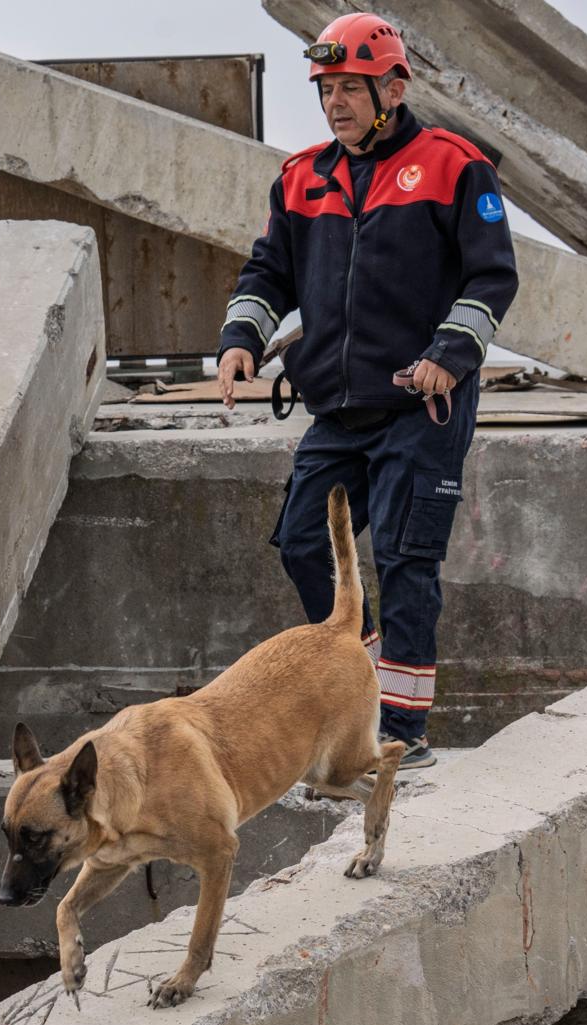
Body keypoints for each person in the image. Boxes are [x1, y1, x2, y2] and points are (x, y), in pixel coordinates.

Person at [216, 11, 519, 769]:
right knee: (299, 543)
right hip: (338, 407)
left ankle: (402, 730)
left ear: (391, 86)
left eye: (350, 89)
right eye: (326, 91)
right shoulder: (300, 177)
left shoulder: (455, 166)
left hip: (424, 404)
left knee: (406, 558)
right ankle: (365, 669)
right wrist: (239, 341)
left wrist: (452, 353)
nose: (336, 104)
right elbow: (268, 274)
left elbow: (492, 275)